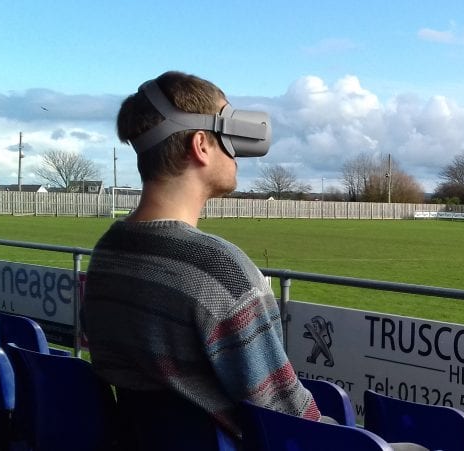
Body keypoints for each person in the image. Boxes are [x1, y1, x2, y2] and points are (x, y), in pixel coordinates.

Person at [82, 71, 319, 441]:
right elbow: (284, 414)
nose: (237, 153)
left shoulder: (106, 255)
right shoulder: (220, 271)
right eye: (229, 132)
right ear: (201, 145)